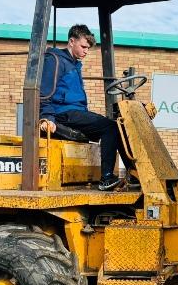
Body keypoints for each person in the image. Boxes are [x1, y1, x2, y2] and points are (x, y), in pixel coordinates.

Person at [38, 24, 122, 191]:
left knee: (118, 125)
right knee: (110, 127)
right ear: (71, 41)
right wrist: (48, 117)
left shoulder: (74, 64)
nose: (85, 51)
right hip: (62, 113)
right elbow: (44, 92)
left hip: (74, 113)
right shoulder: (55, 60)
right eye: (83, 46)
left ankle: (129, 175)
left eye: (88, 48)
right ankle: (106, 177)